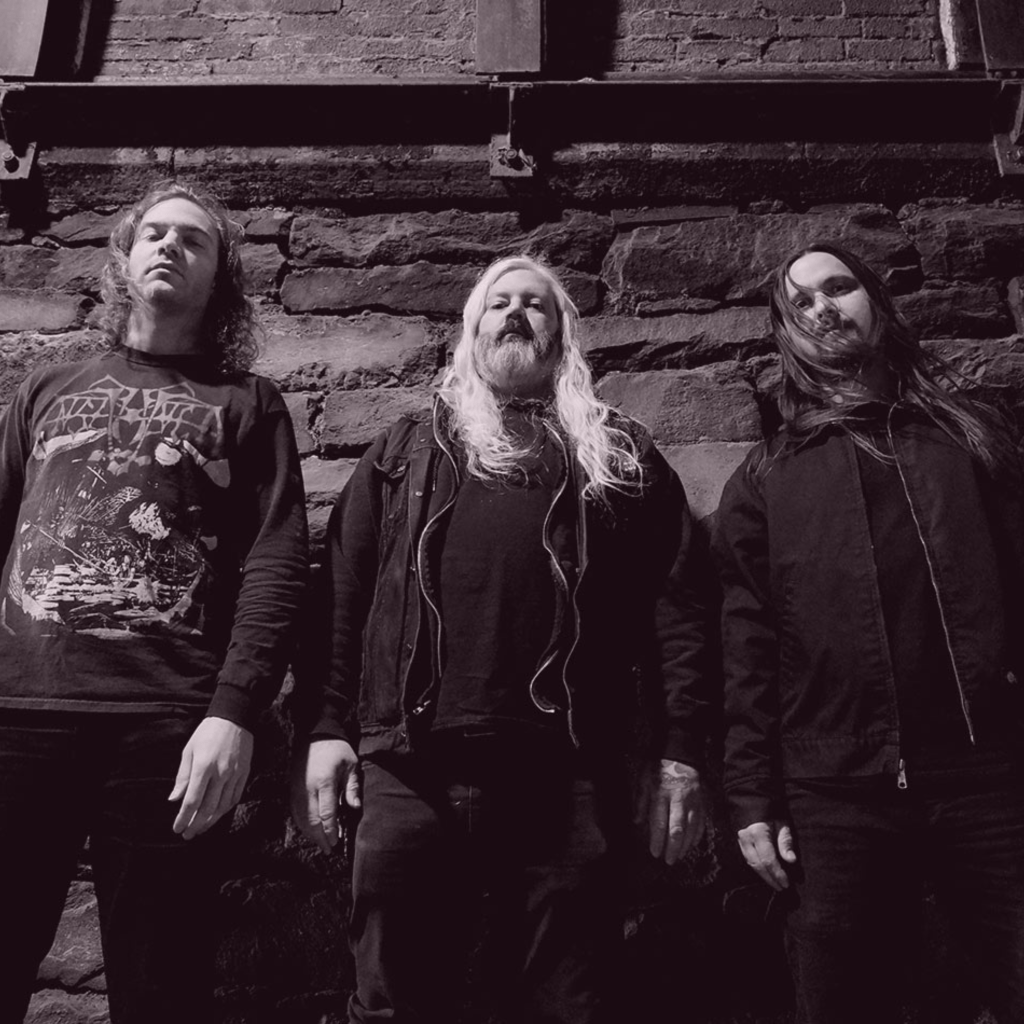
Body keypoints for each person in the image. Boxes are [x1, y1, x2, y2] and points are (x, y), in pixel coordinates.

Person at [294, 255, 711, 1023]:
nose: (516, 313)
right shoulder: (404, 450)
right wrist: (325, 728)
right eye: (499, 303)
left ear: (563, 336)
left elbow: (678, 611)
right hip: (410, 765)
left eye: (535, 304)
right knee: (392, 1000)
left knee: (567, 1002)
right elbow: (342, 595)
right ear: (472, 331)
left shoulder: (619, 455)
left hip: (567, 771)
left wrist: (680, 751)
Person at [0, 181, 308, 1023]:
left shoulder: (247, 403)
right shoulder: (46, 388)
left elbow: (277, 564)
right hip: (19, 714)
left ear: (220, 277)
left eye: (193, 239)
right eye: (154, 234)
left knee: (163, 987)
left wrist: (234, 713)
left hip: (168, 724)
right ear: (125, 260)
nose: (169, 246)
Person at [714, 243, 1024, 1023]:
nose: (822, 307)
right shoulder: (767, 476)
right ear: (787, 334)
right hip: (834, 793)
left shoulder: (971, 439)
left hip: (989, 775)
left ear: (877, 304)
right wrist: (751, 798)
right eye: (800, 302)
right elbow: (748, 651)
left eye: (838, 286)